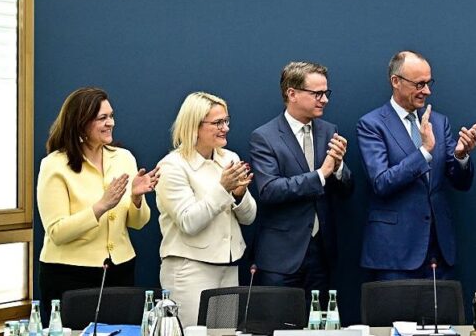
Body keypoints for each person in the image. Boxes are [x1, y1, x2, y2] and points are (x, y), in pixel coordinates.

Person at [357, 50, 476, 280]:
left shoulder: (439, 122)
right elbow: (381, 182)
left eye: (428, 83)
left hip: (438, 251)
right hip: (395, 252)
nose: (427, 91)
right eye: (419, 84)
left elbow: (461, 183)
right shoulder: (372, 124)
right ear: (396, 81)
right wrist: (424, 152)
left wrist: (461, 156)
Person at [37, 87, 157, 312]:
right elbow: (57, 232)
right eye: (102, 118)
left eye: (111, 116)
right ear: (81, 122)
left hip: (120, 269)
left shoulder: (124, 158)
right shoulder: (54, 165)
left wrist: (136, 198)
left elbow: (138, 223)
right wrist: (101, 206)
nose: (111, 123)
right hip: (69, 274)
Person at [249, 61, 352, 304]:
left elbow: (347, 190)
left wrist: (339, 168)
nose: (324, 100)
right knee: (279, 321)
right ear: (292, 93)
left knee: (320, 321)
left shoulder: (329, 130)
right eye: (317, 93)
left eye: (326, 93)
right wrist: (321, 174)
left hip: (321, 254)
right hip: (281, 257)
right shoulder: (264, 137)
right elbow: (269, 190)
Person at [155, 91, 257, 327]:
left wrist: (240, 194)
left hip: (228, 267)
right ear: (194, 126)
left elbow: (249, 218)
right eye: (217, 123)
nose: (225, 128)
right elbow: (188, 222)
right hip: (190, 270)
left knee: (225, 333)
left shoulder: (229, 158)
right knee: (193, 332)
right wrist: (223, 188)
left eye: (226, 121)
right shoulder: (172, 166)